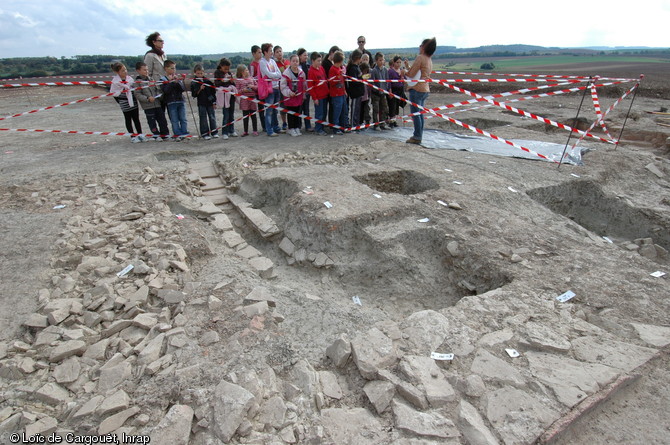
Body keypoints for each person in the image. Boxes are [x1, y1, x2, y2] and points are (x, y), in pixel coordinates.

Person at [405, 37, 436, 145]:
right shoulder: (429, 59)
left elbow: (412, 74)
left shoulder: (420, 58)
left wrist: (404, 72)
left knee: (415, 114)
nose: (419, 47)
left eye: (421, 45)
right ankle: (419, 135)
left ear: (423, 47)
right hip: (425, 89)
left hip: (417, 89)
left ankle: (417, 136)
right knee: (420, 114)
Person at [134, 62, 170, 141]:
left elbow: (157, 89)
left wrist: (158, 95)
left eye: (147, 70)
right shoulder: (137, 82)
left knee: (162, 119)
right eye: (144, 70)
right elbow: (138, 94)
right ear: (138, 71)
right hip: (148, 106)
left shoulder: (151, 79)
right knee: (152, 121)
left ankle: (165, 134)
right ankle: (156, 135)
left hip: (157, 103)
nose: (146, 71)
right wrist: (147, 98)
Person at [110, 62, 144, 143]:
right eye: (122, 70)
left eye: (125, 69)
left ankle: (140, 134)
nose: (125, 71)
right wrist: (120, 102)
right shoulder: (115, 81)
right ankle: (132, 136)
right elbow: (113, 93)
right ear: (117, 72)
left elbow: (134, 89)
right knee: (128, 119)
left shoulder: (130, 79)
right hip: (124, 102)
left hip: (133, 101)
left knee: (136, 119)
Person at [160, 60, 189, 141]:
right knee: (174, 120)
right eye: (172, 68)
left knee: (183, 118)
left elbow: (182, 89)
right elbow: (165, 91)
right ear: (166, 68)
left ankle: (184, 133)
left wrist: (177, 82)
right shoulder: (162, 79)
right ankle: (177, 134)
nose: (174, 70)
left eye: (174, 68)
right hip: (171, 102)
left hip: (180, 101)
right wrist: (170, 82)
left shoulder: (177, 77)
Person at [280, 54, 307, 137]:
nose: (295, 63)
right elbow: (283, 85)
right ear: (290, 62)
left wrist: (304, 94)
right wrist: (289, 92)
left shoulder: (302, 73)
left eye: (297, 61)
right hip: (290, 97)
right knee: (291, 113)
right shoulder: (286, 73)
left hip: (298, 97)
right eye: (293, 61)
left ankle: (296, 127)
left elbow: (304, 84)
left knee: (298, 112)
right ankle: (291, 128)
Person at [259, 43, 283, 137]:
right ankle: (269, 130)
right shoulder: (262, 62)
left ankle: (276, 127)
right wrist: (275, 75)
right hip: (269, 89)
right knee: (269, 111)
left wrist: (274, 76)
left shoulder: (272, 61)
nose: (272, 53)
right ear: (265, 52)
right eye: (270, 51)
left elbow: (279, 73)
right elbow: (268, 75)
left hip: (276, 87)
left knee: (275, 110)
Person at [191, 64, 218, 140]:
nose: (200, 75)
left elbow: (213, 93)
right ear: (195, 73)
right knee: (203, 118)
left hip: (209, 102)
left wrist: (214, 102)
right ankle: (205, 133)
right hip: (201, 103)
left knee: (212, 117)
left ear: (204, 72)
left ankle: (214, 132)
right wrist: (200, 89)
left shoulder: (208, 81)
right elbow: (194, 94)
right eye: (198, 73)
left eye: (201, 73)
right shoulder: (194, 82)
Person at [214, 58, 238, 139]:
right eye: (225, 69)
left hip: (230, 95)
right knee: (226, 114)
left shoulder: (229, 73)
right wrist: (223, 81)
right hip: (223, 96)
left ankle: (232, 130)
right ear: (221, 66)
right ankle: (225, 132)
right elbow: (216, 84)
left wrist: (231, 81)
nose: (226, 70)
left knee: (231, 114)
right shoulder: (217, 73)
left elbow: (234, 84)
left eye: (228, 69)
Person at [234, 64, 259, 136]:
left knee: (253, 115)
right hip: (244, 100)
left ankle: (255, 130)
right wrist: (243, 90)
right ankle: (245, 131)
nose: (248, 71)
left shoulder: (252, 78)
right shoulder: (238, 81)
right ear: (242, 72)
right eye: (246, 70)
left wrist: (252, 87)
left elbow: (257, 87)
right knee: (245, 116)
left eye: (248, 70)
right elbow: (237, 91)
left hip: (252, 99)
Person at [308, 52, 329, 136]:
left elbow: (325, 79)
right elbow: (311, 86)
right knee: (319, 113)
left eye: (320, 61)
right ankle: (318, 128)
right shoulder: (311, 71)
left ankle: (322, 127)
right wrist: (315, 98)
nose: (320, 63)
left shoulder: (321, 68)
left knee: (324, 113)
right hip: (318, 96)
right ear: (313, 61)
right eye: (318, 61)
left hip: (324, 94)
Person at [328, 51, 348, 135]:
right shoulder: (332, 69)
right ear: (340, 61)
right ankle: (336, 128)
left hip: (341, 93)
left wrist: (344, 91)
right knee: (337, 111)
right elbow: (331, 82)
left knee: (344, 110)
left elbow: (342, 82)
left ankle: (343, 126)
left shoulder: (340, 68)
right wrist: (338, 76)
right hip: (336, 94)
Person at [370, 52, 390, 131]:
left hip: (383, 93)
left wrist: (386, 89)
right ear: (376, 61)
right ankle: (376, 124)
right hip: (376, 94)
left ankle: (383, 123)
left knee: (384, 108)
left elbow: (387, 80)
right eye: (380, 60)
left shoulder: (385, 69)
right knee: (376, 109)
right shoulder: (374, 71)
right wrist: (376, 89)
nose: (381, 62)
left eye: (383, 60)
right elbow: (373, 82)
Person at [346, 50, 364, 130]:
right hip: (355, 92)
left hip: (359, 92)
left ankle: (356, 124)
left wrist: (362, 78)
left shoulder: (357, 67)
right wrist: (360, 79)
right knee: (354, 109)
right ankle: (353, 124)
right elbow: (354, 81)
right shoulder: (352, 68)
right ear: (358, 58)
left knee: (357, 109)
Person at [249, 45, 266, 132]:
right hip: (258, 89)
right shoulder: (252, 65)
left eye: (261, 52)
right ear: (253, 54)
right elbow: (251, 77)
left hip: (265, 87)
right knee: (261, 108)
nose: (261, 54)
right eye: (259, 52)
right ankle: (264, 126)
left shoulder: (263, 62)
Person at [274, 45, 290, 132]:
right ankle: (284, 122)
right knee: (282, 106)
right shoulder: (274, 64)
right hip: (280, 88)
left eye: (280, 51)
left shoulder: (288, 62)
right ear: (274, 54)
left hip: (290, 87)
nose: (279, 53)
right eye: (277, 52)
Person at [297, 48, 312, 132]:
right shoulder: (297, 66)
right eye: (304, 55)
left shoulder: (307, 65)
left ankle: (308, 125)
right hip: (299, 90)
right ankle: (298, 126)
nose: (306, 57)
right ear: (300, 56)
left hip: (307, 90)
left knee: (306, 109)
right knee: (299, 108)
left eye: (307, 55)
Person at [388, 55, 405, 128]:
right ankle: (391, 121)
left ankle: (394, 121)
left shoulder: (401, 70)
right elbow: (389, 82)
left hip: (400, 90)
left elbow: (404, 81)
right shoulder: (391, 71)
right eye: (397, 62)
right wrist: (390, 91)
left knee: (397, 106)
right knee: (392, 106)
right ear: (394, 63)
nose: (398, 64)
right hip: (393, 90)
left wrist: (402, 75)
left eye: (400, 62)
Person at [359, 62, 371, 129]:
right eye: (365, 71)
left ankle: (366, 121)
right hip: (362, 96)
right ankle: (360, 121)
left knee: (366, 109)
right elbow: (363, 77)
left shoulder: (366, 75)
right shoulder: (361, 76)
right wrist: (368, 75)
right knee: (361, 110)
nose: (366, 72)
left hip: (366, 95)